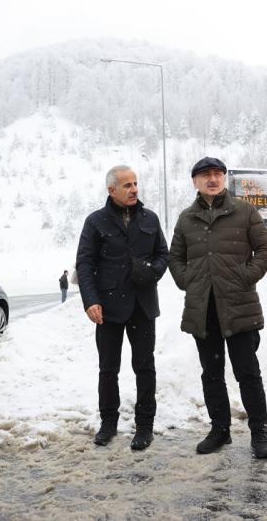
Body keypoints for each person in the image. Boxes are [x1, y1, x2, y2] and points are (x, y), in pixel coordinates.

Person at [168, 157, 267, 459]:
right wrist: (187, 280)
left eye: (217, 174)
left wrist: (245, 275)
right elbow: (174, 257)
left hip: (239, 307)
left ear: (225, 178)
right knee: (211, 374)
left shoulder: (244, 211)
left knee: (248, 373)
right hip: (203, 310)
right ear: (195, 182)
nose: (212, 179)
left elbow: (266, 248)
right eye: (205, 175)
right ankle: (220, 429)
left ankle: (259, 434)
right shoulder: (186, 218)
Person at [76, 165, 168, 450]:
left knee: (145, 367)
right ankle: (108, 423)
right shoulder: (96, 222)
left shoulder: (149, 218)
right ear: (111, 189)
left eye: (135, 184)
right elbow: (85, 263)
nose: (134, 190)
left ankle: (145, 426)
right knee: (108, 369)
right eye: (127, 185)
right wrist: (91, 301)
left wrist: (151, 271)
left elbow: (163, 255)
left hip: (143, 305)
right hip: (108, 307)